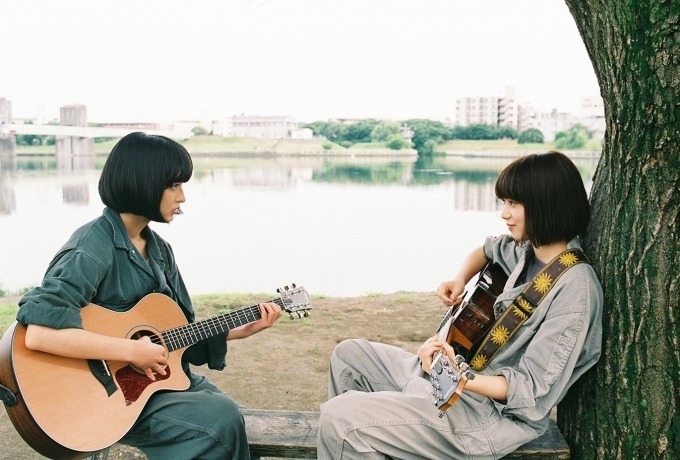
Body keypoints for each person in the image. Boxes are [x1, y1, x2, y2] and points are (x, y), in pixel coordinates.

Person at [318, 151, 603, 459]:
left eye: (513, 204)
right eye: (504, 203)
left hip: (487, 417)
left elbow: (533, 391)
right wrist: (460, 279)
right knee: (348, 355)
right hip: (452, 380)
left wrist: (460, 377)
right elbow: (485, 250)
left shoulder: (575, 291)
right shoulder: (526, 249)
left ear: (546, 205)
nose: (504, 214)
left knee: (341, 417)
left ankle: (360, 436)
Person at [16, 132, 282, 459]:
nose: (182, 197)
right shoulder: (91, 249)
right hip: (102, 396)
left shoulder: (159, 251)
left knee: (234, 414)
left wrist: (238, 330)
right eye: (174, 185)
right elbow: (40, 334)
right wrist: (130, 349)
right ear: (143, 183)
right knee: (220, 421)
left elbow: (174, 336)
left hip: (151, 385)